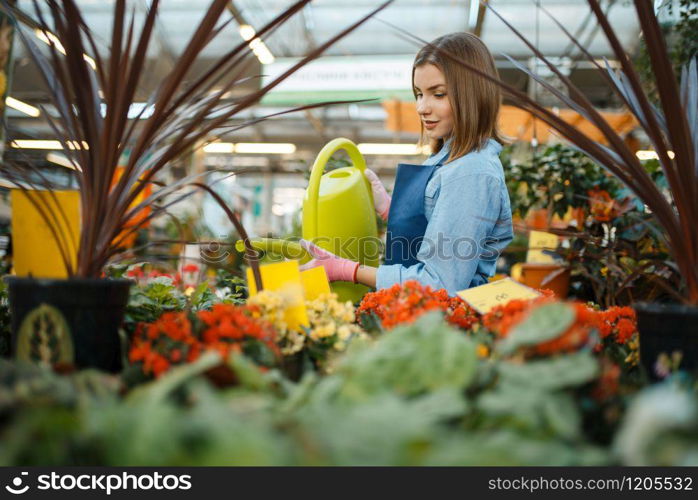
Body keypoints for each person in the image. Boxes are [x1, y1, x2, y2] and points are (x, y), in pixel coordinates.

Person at [300, 32, 513, 295]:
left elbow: (439, 284)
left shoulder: (470, 173)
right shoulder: (448, 159)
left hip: (444, 326)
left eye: (438, 94)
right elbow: (439, 230)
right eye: (419, 94)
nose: (422, 107)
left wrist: (347, 270)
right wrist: (393, 212)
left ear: (473, 94)